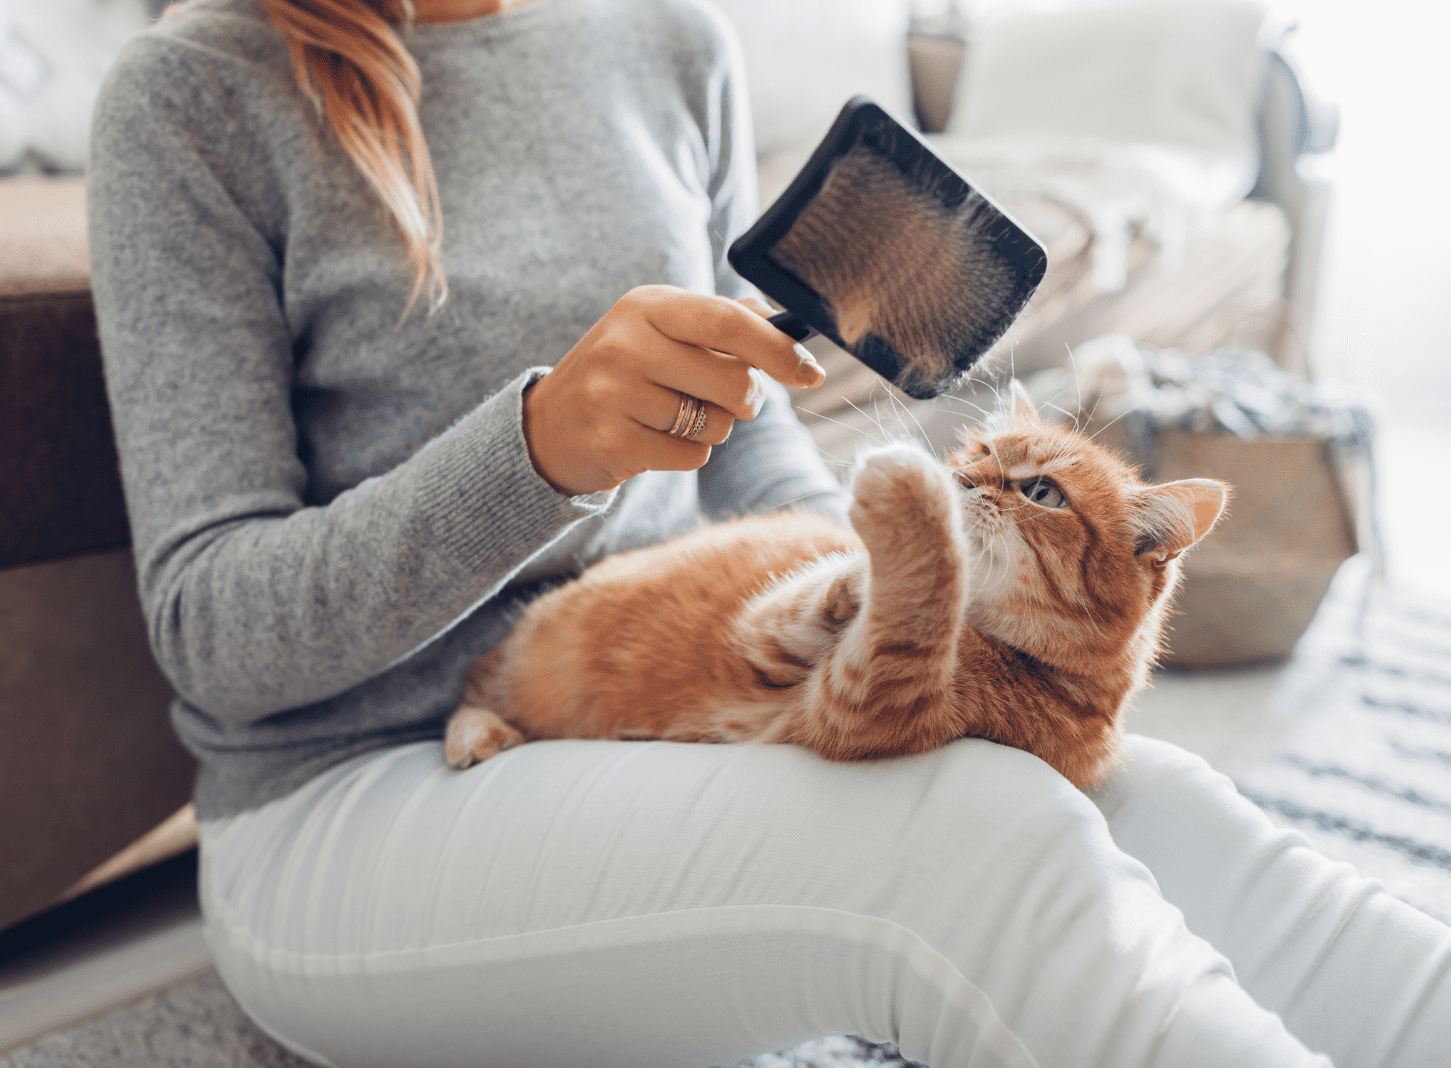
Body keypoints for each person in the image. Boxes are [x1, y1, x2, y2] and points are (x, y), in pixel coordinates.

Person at [87, 1, 1451, 1065]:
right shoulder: (195, 92)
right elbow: (216, 637)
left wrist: (891, 602)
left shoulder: (669, 41)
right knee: (972, 840)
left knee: (1153, 801)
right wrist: (542, 450)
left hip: (697, 709)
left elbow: (744, 433)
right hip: (361, 800)